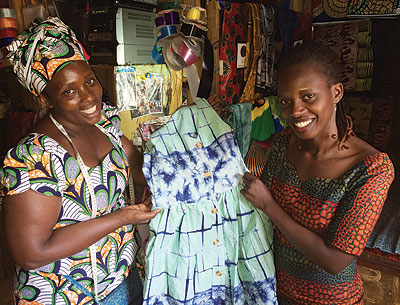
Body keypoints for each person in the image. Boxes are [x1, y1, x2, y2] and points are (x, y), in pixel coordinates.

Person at [0, 17, 160, 305]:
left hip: (124, 279)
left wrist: (181, 174)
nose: (89, 97)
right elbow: (31, 253)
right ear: (46, 100)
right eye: (69, 91)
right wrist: (122, 218)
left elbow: (135, 167)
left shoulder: (105, 125)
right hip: (68, 295)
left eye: (89, 81)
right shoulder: (34, 157)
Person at [241, 43, 395, 304]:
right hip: (272, 289)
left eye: (308, 96)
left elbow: (335, 260)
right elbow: (259, 217)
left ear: (336, 93)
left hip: (330, 299)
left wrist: (269, 205)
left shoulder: (370, 169)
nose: (295, 111)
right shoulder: (281, 145)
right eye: (286, 101)